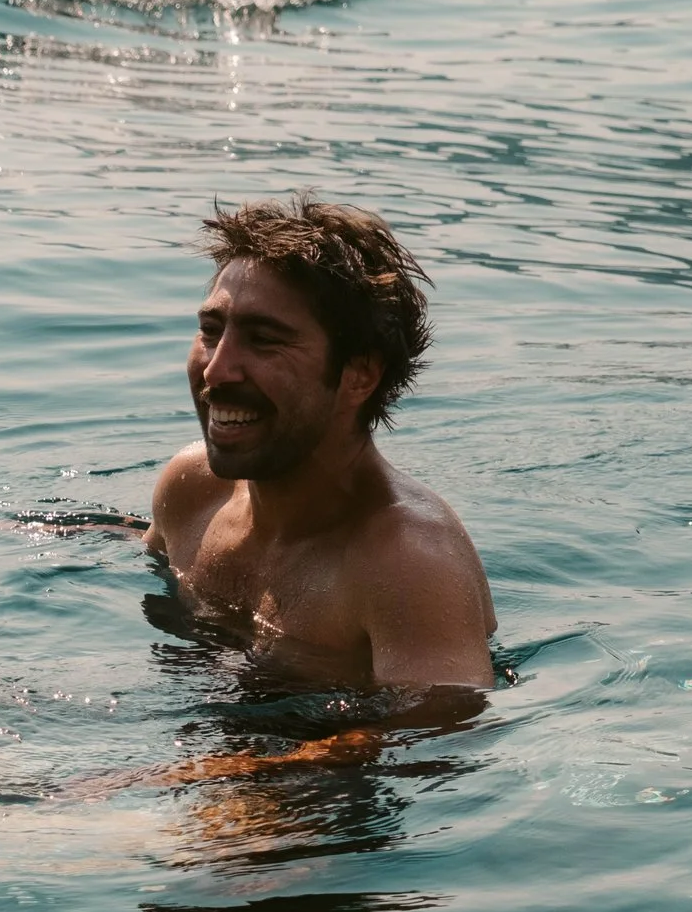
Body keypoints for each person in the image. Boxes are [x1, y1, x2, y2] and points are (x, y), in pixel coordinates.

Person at [145, 194, 497, 715]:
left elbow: (445, 726)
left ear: (360, 375)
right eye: (212, 331)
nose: (216, 370)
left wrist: (226, 764)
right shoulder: (191, 490)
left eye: (264, 340)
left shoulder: (408, 563)